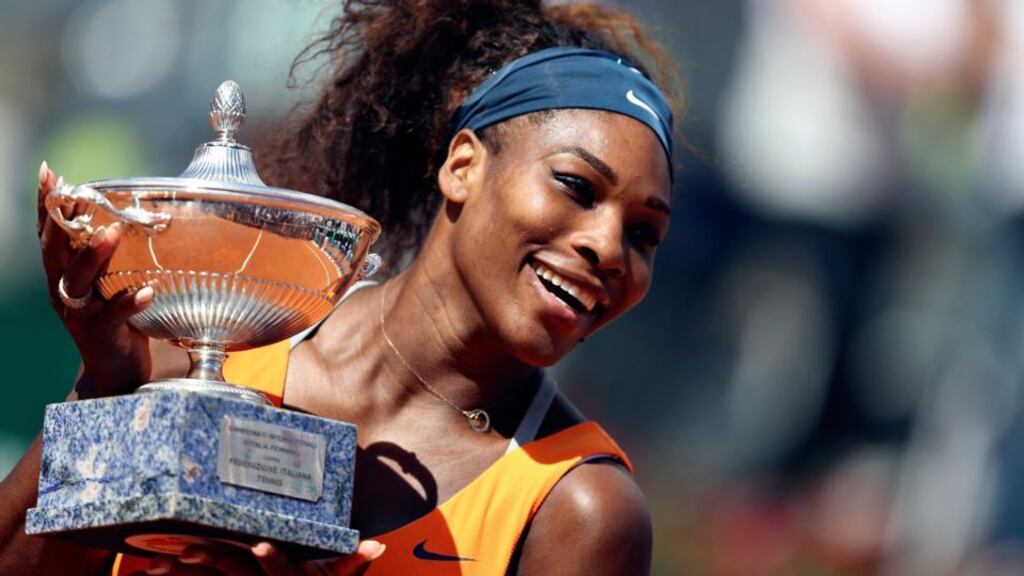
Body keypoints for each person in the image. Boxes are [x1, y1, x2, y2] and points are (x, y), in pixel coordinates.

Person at [0, 0, 679, 574]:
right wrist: (107, 391)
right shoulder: (199, 353)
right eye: (576, 187)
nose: (610, 247)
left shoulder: (577, 508)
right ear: (464, 167)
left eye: (645, 233)